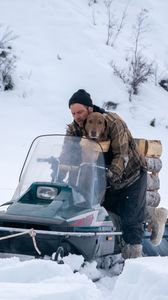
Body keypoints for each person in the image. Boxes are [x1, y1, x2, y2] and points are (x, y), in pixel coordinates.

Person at [65, 89, 168, 259]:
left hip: (131, 177)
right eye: (73, 113)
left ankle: (132, 266)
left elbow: (122, 154)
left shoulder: (113, 122)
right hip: (104, 178)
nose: (77, 116)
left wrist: (112, 175)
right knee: (107, 211)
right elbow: (68, 153)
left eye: (80, 112)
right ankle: (152, 214)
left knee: (131, 222)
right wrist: (60, 171)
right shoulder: (75, 128)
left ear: (90, 109)